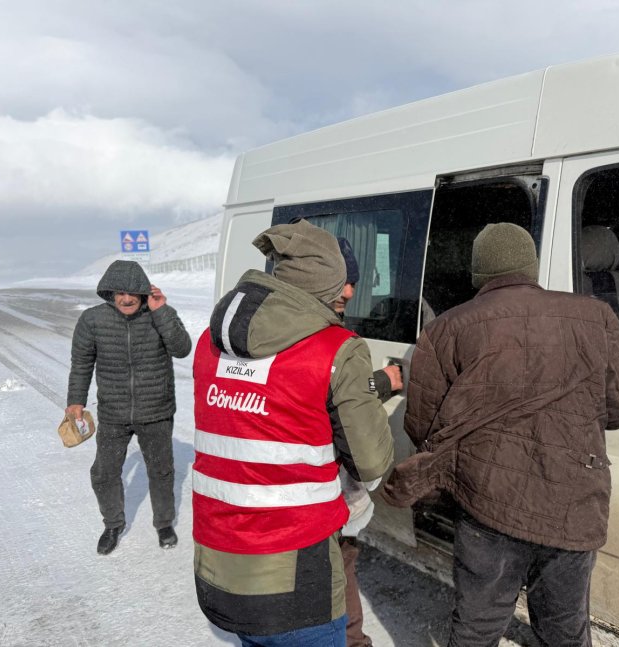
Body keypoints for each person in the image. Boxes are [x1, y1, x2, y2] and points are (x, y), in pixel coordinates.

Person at [398, 223, 619, 647]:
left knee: (477, 626)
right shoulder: (596, 316)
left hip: (486, 502)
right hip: (574, 499)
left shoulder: (446, 329)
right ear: (531, 266)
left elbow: (424, 427)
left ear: (478, 272)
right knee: (565, 628)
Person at [192, 219, 394, 646]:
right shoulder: (337, 349)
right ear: (324, 284)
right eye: (342, 282)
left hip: (217, 565)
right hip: (296, 579)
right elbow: (371, 464)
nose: (349, 293)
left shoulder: (210, 343)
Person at [66, 260, 192, 555]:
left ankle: (163, 523)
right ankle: (113, 524)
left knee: (161, 471)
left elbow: (182, 349)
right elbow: (82, 363)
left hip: (156, 411)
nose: (126, 299)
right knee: (104, 472)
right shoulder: (92, 320)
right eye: (120, 292)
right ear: (110, 292)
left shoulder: (160, 315)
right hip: (113, 413)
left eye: (132, 293)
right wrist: (76, 401)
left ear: (143, 292)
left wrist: (161, 311)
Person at [335, 237, 403, 647]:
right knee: (339, 565)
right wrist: (380, 382)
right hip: (324, 496)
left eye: (354, 282)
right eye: (342, 282)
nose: (350, 292)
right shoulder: (327, 340)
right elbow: (329, 392)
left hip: (325, 491)